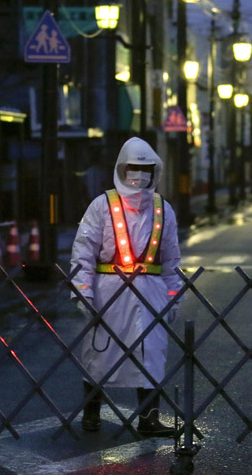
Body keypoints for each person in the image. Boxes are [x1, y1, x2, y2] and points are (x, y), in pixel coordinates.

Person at [69, 136, 183, 436]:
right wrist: (84, 293)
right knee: (100, 353)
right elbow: (83, 252)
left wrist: (173, 296)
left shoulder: (162, 209)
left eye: (145, 168)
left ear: (155, 171)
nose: (139, 174)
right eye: (133, 167)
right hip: (109, 292)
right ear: (121, 168)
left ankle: (149, 418)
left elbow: (171, 258)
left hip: (152, 294)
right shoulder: (102, 206)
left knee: (151, 354)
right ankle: (91, 414)